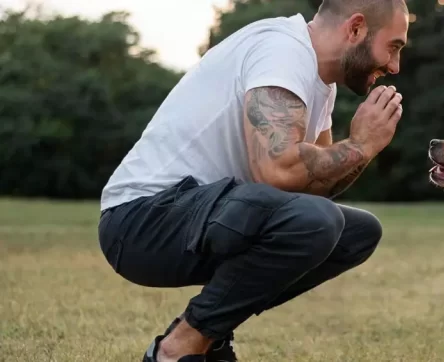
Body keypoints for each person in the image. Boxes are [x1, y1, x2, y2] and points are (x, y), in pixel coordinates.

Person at [96, 0, 409, 361]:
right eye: (394, 46)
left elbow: (315, 186)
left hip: (204, 218)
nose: (394, 65)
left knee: (356, 232)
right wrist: (359, 144)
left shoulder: (322, 84)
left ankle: (207, 337)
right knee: (315, 221)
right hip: (141, 220)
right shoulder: (282, 51)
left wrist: (362, 151)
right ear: (355, 28)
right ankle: (177, 349)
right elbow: (278, 171)